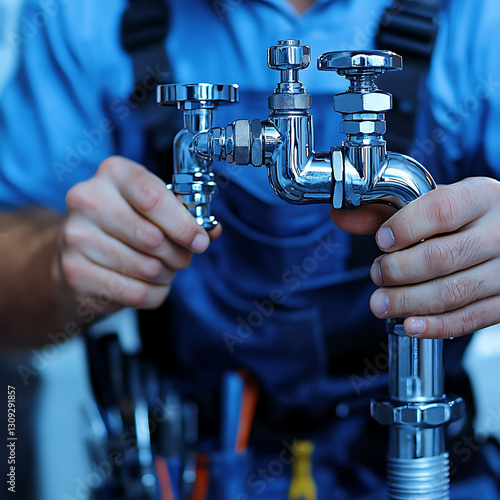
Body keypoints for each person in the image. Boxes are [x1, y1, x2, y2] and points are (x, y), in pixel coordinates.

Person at [1, 0, 500, 498]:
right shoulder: (82, 14)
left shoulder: (480, 17)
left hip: (424, 457)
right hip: (193, 467)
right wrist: (55, 265)